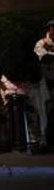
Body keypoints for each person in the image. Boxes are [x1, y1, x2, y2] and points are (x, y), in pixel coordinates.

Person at [33, 19, 54, 147]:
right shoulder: (42, 43)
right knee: (46, 110)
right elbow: (43, 56)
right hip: (46, 82)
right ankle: (45, 138)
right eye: (52, 28)